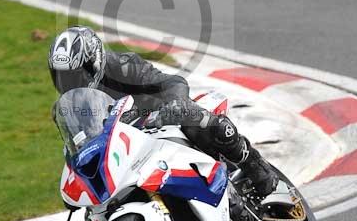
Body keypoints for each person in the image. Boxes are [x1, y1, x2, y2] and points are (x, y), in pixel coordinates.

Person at [48, 25, 277, 197]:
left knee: (202, 123)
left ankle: (252, 163)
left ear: (94, 62)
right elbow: (78, 146)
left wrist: (175, 103)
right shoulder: (69, 107)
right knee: (94, 212)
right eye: (61, 76)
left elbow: (170, 82)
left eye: (77, 73)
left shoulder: (123, 66)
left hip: (161, 120)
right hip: (126, 148)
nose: (70, 81)